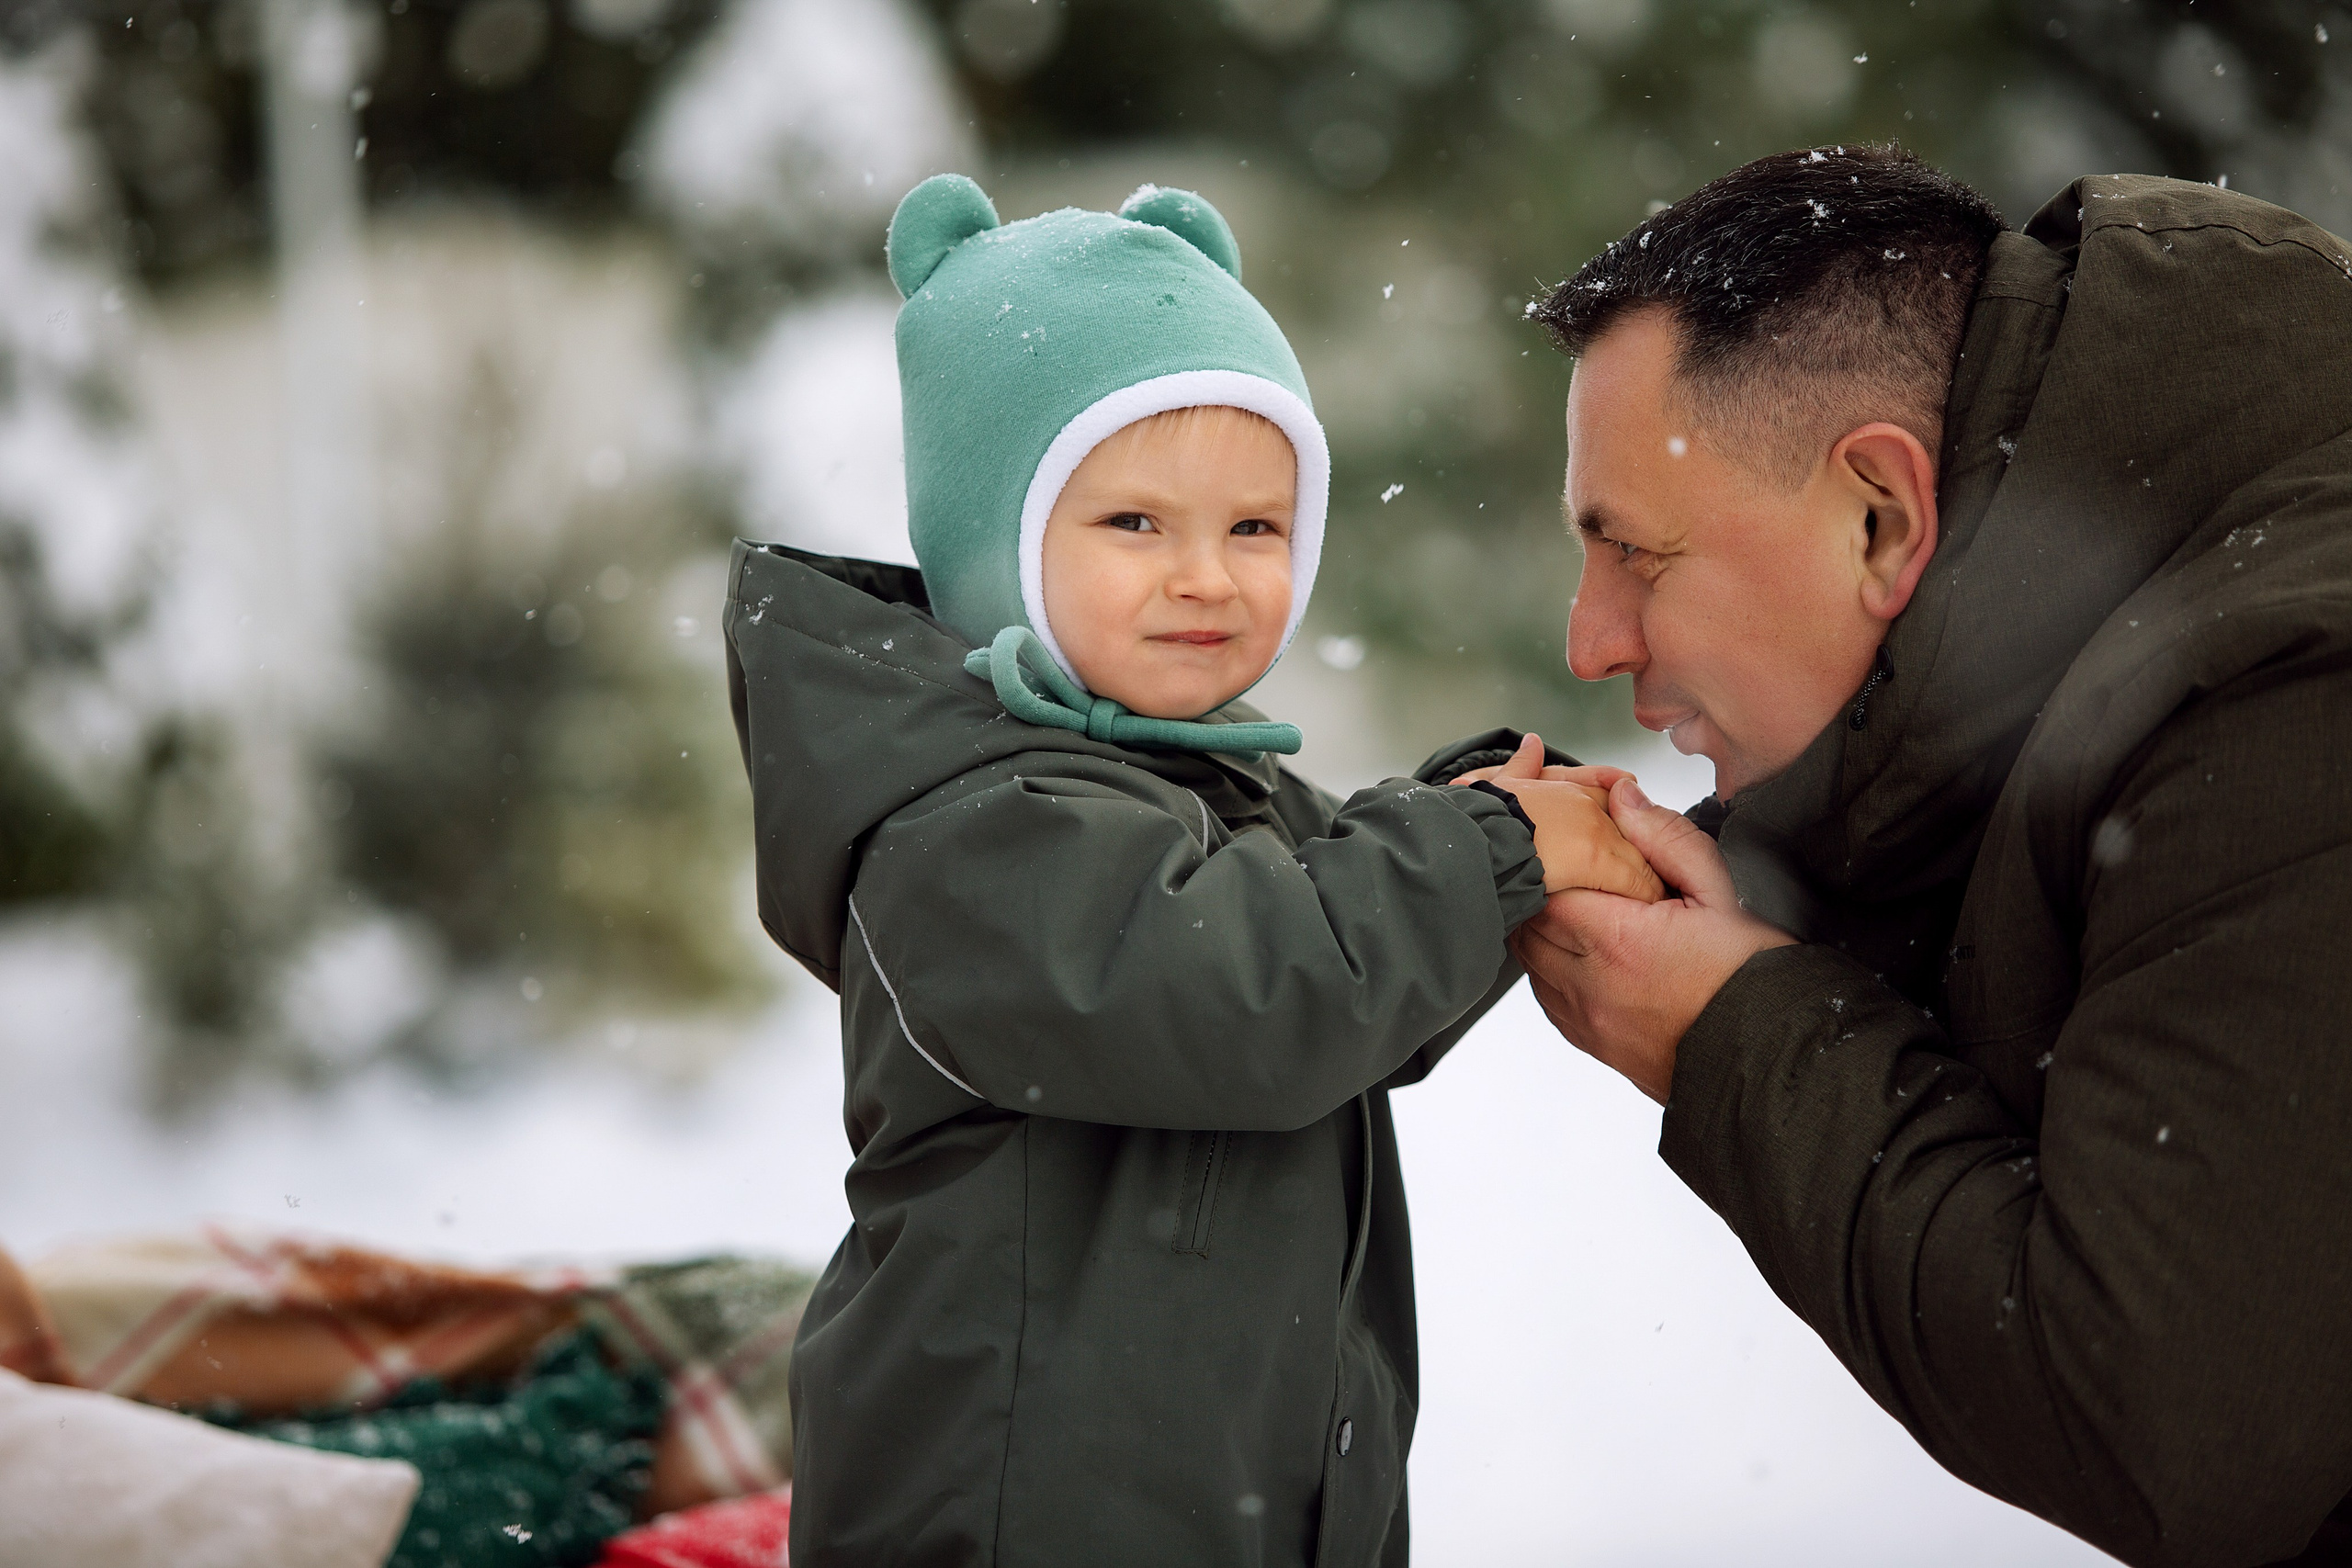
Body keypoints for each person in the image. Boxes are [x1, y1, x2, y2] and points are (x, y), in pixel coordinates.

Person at [724, 174, 1655, 1567]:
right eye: (1135, 524)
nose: (1209, 578)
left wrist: (1492, 826)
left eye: (1256, 528)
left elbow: (1352, 975)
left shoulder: (1194, 777)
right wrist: (1487, 853)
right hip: (1026, 1518)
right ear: (999, 546)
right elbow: (1256, 996)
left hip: (1216, 1501)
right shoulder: (967, 825)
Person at [1513, 144, 2352, 1567]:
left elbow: (2172, 1428)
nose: (1590, 640)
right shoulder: (2148, 615)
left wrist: (1736, 1032)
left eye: (1636, 553)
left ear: (1881, 517)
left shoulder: (2293, 695)